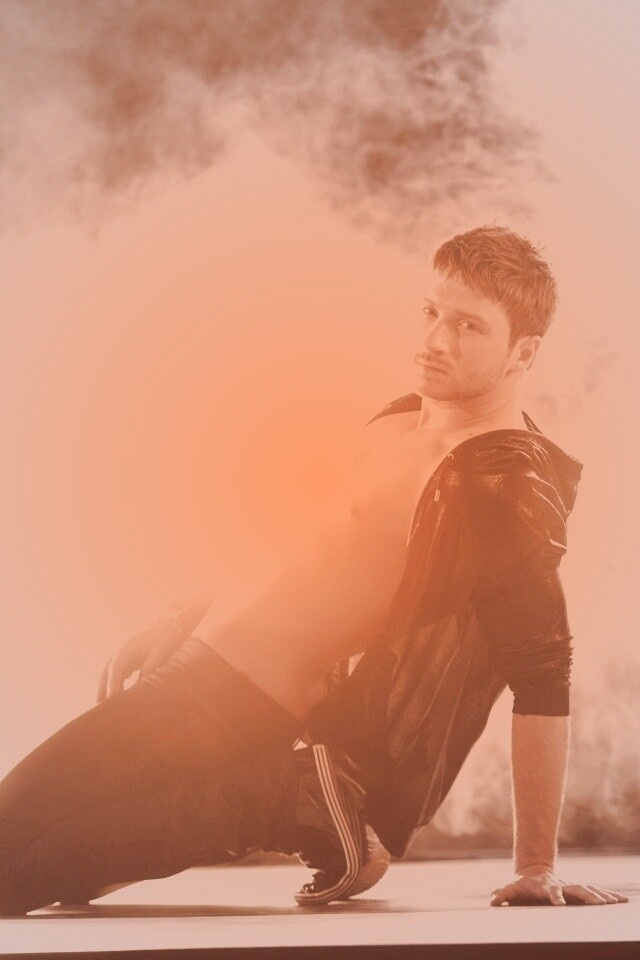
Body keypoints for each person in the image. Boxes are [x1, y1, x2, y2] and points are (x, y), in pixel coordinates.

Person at [0, 226, 627, 915]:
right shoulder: (404, 418)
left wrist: (536, 864)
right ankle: (308, 809)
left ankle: (293, 803)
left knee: (4, 862)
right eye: (431, 312)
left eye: (468, 326)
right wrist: (181, 618)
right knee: (33, 868)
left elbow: (542, 667)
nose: (435, 339)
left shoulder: (496, 478)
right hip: (195, 671)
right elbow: (298, 543)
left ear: (523, 353)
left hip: (233, 705)